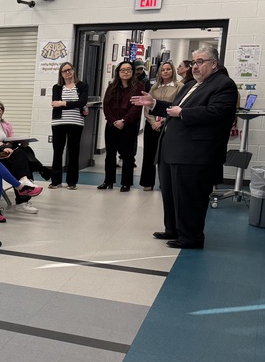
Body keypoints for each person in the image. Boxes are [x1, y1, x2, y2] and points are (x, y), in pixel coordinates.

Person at [131, 46, 237, 249]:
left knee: (189, 197)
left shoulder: (224, 85)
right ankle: (173, 229)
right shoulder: (191, 85)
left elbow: (216, 112)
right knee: (170, 193)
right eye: (193, 62)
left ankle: (191, 237)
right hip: (173, 150)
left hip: (194, 154)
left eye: (200, 62)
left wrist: (184, 114)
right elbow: (173, 108)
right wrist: (154, 103)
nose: (195, 66)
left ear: (214, 64)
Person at [99, 61, 145, 192]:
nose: (126, 72)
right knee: (110, 155)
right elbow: (106, 105)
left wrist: (124, 120)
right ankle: (108, 180)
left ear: (132, 72)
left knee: (127, 155)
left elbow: (137, 107)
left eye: (128, 70)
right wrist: (114, 121)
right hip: (112, 125)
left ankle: (126, 183)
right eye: (122, 70)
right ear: (118, 72)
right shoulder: (112, 86)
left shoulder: (139, 87)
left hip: (128, 126)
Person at [139, 61, 181, 191]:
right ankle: (147, 182)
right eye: (163, 70)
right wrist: (152, 122)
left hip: (168, 124)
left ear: (173, 71)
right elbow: (148, 106)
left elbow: (177, 105)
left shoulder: (179, 86)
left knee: (166, 154)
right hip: (152, 125)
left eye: (168, 69)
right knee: (149, 154)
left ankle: (166, 182)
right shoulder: (154, 87)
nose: (166, 72)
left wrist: (162, 121)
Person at [0, 99, 48, 180]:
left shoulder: (6, 124)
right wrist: (5, 145)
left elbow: (12, 137)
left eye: (1, 108)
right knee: (21, 154)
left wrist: (20, 142)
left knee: (26, 148)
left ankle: (27, 182)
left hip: (9, 150)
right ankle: (38, 171)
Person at [49, 62, 88, 190]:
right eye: (64, 71)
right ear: (61, 74)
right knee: (57, 151)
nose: (67, 73)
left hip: (76, 122)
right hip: (58, 123)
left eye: (69, 70)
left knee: (73, 151)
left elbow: (82, 102)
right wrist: (69, 103)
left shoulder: (82, 86)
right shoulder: (57, 87)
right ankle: (56, 181)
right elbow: (55, 103)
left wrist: (63, 103)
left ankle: (72, 182)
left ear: (74, 70)